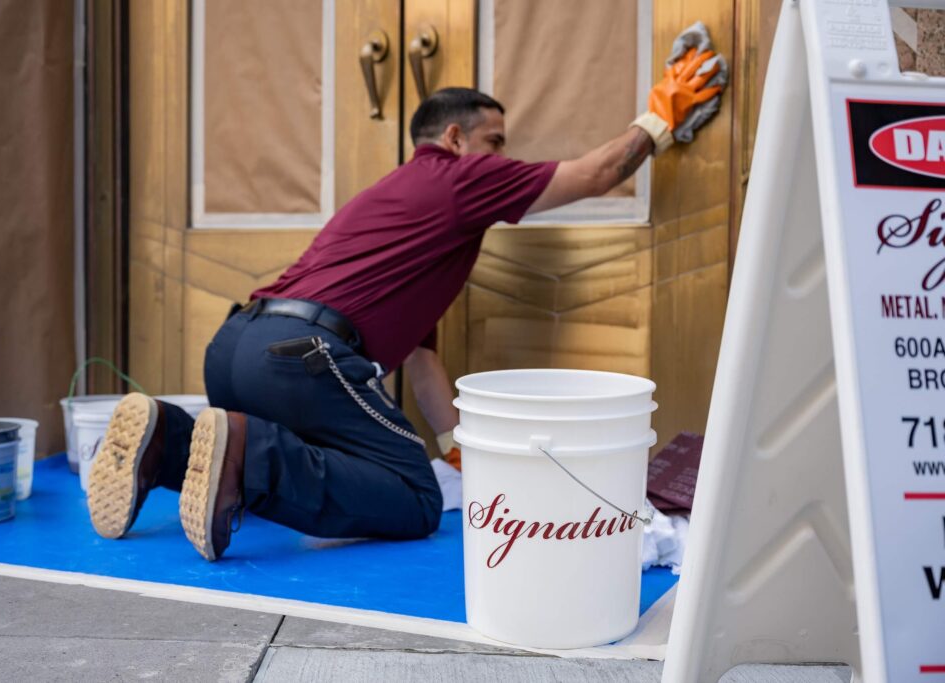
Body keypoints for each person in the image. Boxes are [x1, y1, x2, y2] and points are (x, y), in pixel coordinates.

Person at [86, 47, 724, 561]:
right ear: (453, 137)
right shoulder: (458, 178)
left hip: (235, 352)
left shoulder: (403, 212)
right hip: (301, 361)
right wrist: (663, 115)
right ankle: (246, 453)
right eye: (496, 141)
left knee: (351, 459)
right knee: (415, 499)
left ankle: (170, 440)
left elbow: (420, 361)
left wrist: (455, 444)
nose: (504, 158)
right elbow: (595, 174)